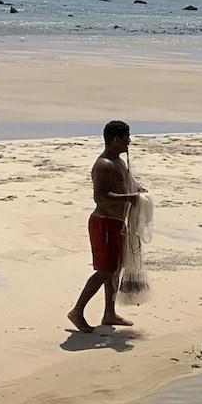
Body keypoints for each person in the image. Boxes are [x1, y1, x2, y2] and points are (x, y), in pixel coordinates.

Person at [70, 119, 138, 333]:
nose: (129, 140)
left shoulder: (120, 162)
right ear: (115, 138)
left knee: (115, 269)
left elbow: (126, 185)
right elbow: (100, 197)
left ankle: (109, 313)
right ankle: (77, 311)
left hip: (118, 223)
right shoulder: (104, 165)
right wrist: (129, 197)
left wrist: (139, 191)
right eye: (126, 137)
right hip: (104, 223)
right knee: (105, 270)